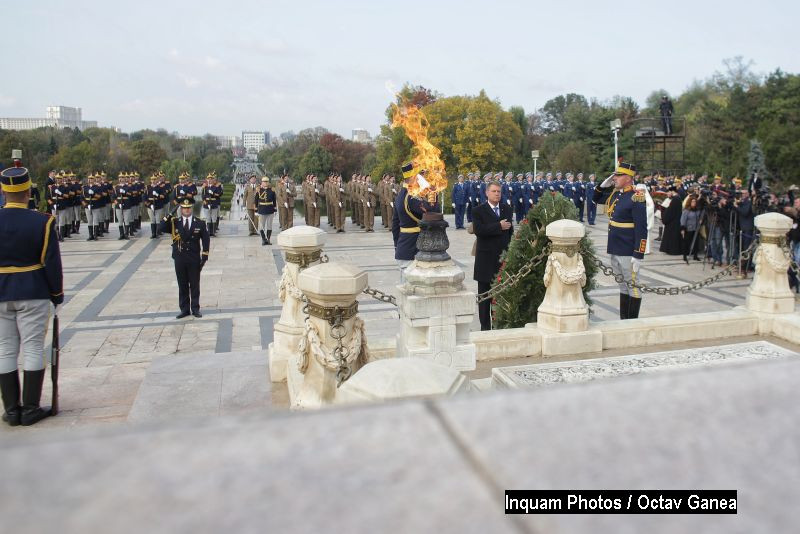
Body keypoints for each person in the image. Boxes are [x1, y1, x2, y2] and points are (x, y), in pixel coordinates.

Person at [0, 159, 63, 427]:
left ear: (4, 192)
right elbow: (51, 263)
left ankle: (12, 409)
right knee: (34, 347)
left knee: (5, 349)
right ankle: (31, 407)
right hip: (33, 290)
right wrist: (56, 294)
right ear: (28, 192)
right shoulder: (43, 221)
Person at [593, 162, 648, 320]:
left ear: (629, 178)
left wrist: (638, 254)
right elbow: (596, 198)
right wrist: (603, 185)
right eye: (614, 175)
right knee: (623, 286)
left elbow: (641, 229)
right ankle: (624, 320)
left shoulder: (636, 197)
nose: (614, 178)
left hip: (628, 250)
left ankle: (632, 323)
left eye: (618, 175)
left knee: (633, 286)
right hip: (615, 248)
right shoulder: (617, 195)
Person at [472, 180, 513, 331]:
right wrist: (498, 226)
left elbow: (510, 232)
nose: (497, 194)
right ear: (487, 193)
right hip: (485, 260)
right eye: (494, 191)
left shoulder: (506, 209)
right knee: (485, 298)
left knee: (501, 295)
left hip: (501, 259)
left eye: (499, 192)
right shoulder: (478, 210)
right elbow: (479, 230)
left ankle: (499, 325)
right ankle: (485, 328)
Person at [160, 198, 209, 319]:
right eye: (184, 208)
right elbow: (160, 228)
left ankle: (195, 308)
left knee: (194, 285)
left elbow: (206, 239)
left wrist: (205, 256)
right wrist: (170, 213)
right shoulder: (174, 222)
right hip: (180, 257)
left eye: (188, 208)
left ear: (191, 208)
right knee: (182, 285)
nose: (186, 210)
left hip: (193, 258)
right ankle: (184, 309)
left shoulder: (200, 222)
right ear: (181, 209)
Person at [392, 163, 437, 280]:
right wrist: (432, 192)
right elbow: (431, 210)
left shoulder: (401, 194)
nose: (423, 178)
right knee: (411, 291)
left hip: (404, 247)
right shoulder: (411, 196)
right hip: (412, 249)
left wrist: (398, 246)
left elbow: (395, 225)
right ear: (414, 178)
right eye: (421, 176)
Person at [680, 195, 702, 263]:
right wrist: (683, 229)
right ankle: (685, 256)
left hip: (696, 229)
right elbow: (683, 220)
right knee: (686, 243)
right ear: (690, 202)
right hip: (688, 228)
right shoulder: (686, 210)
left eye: (695, 202)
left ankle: (695, 255)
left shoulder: (697, 210)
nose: (694, 203)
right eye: (692, 202)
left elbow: (699, 217)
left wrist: (701, 220)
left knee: (696, 243)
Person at [256, 177, 276, 245]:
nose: (265, 183)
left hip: (270, 209)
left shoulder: (272, 190)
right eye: (264, 182)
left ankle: (268, 239)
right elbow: (256, 200)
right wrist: (256, 210)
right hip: (262, 209)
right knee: (262, 226)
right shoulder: (259, 190)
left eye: (267, 182)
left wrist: (275, 209)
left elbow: (274, 200)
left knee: (269, 225)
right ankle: (263, 239)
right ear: (262, 182)